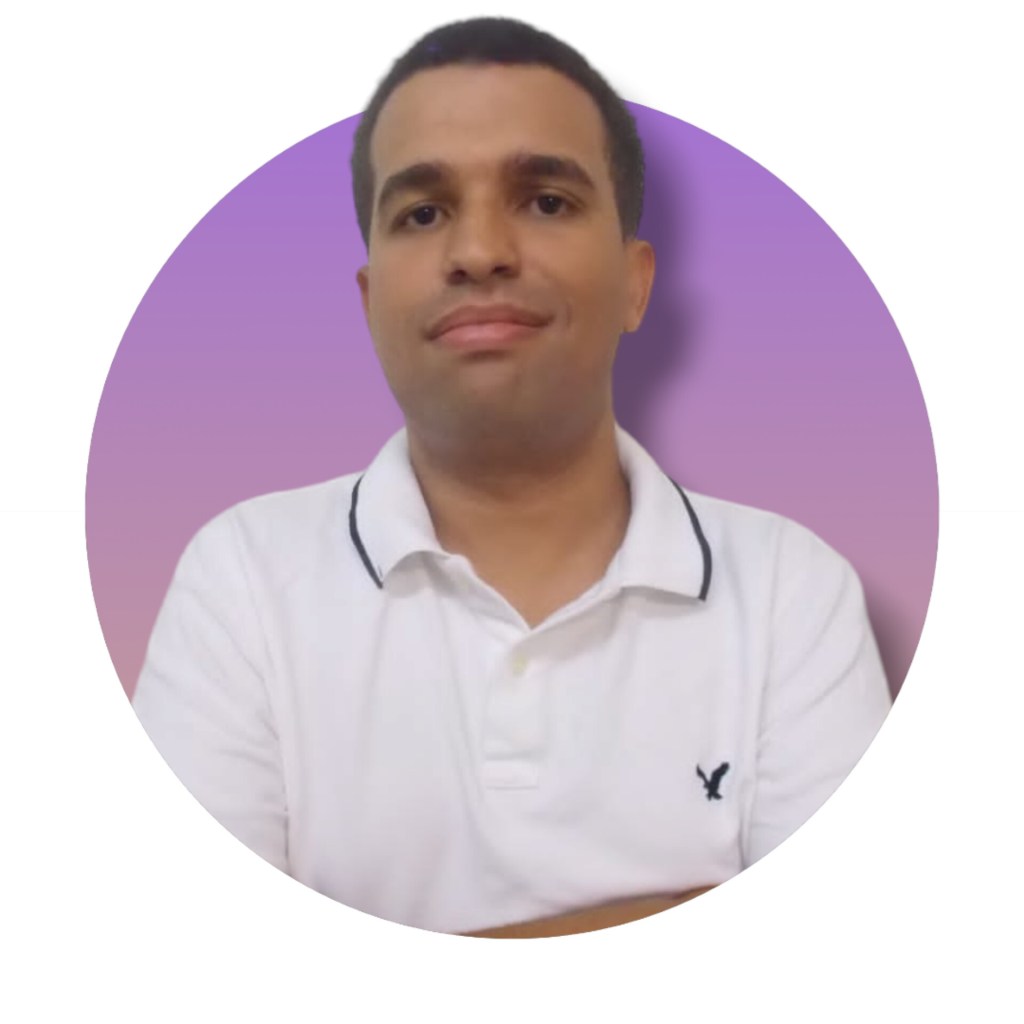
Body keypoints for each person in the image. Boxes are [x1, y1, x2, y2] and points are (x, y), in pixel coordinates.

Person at [132, 16, 891, 937]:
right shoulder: (242, 579)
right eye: (423, 212)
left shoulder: (789, 592)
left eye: (545, 201)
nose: (480, 251)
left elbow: (838, 953)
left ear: (636, 282)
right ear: (370, 304)